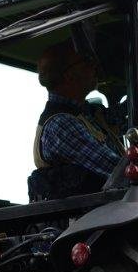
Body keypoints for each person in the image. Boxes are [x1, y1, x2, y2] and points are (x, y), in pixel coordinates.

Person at [28, 40, 124, 201]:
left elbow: (128, 116)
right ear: (69, 75)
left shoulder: (86, 114)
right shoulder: (61, 125)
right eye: (86, 61)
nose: (95, 66)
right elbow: (118, 170)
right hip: (92, 220)